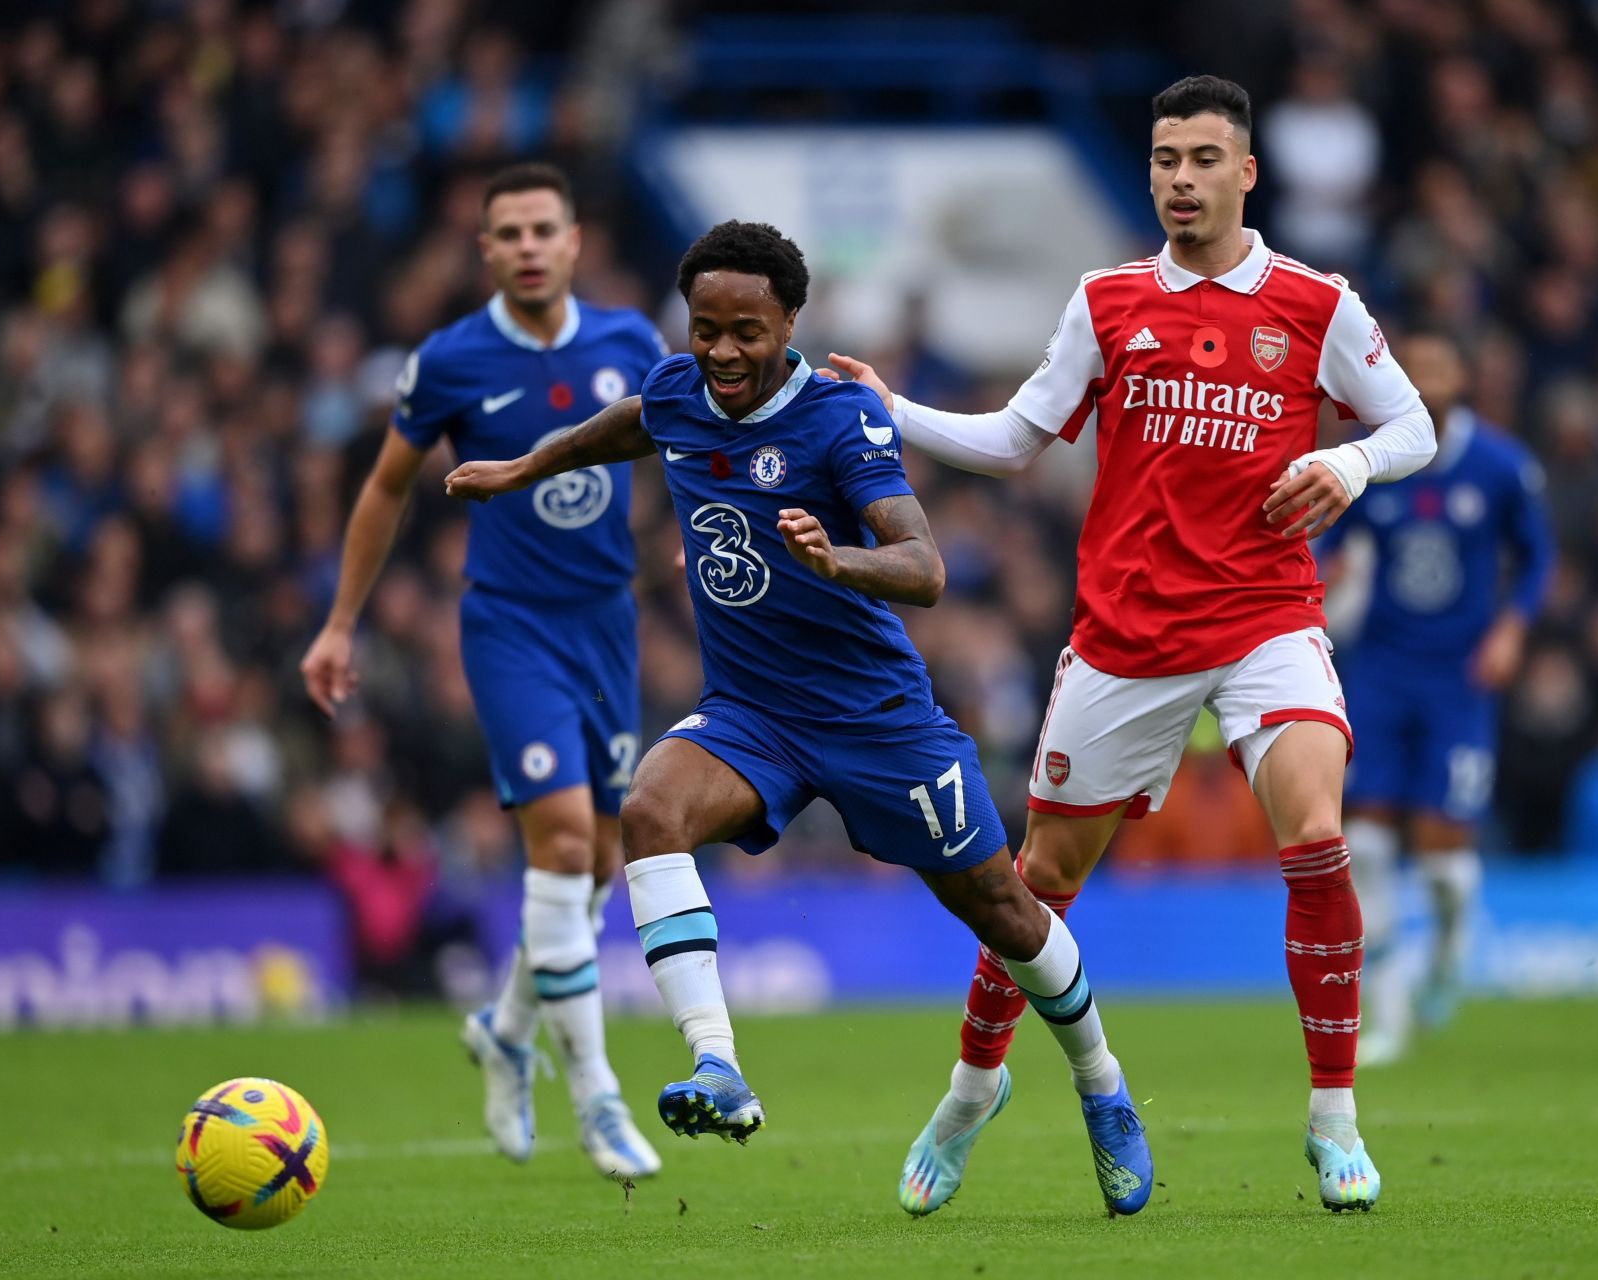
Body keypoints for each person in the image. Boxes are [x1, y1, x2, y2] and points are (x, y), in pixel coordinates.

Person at [445, 220, 1155, 1217]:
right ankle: (717, 1063)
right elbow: (624, 428)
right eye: (706, 329)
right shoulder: (676, 390)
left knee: (1003, 908)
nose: (723, 352)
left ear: (789, 322)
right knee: (647, 811)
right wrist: (523, 469)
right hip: (752, 715)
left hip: (875, 718)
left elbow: (925, 567)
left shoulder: (838, 421)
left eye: (746, 330)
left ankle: (1100, 1083)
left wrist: (837, 561)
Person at [827, 74, 1435, 1214]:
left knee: (1316, 835)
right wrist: (892, 409)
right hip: (1128, 637)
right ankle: (971, 1090)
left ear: (1246, 172)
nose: (1180, 179)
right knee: (1037, 883)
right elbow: (1016, 438)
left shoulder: (1314, 302)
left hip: (1267, 618)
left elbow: (1415, 422)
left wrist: (1349, 462)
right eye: (1164, 159)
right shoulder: (1108, 300)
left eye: (1203, 159)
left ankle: (1336, 1117)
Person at [298, 162, 666, 1179]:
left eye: (546, 227)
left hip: (609, 624)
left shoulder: (631, 342)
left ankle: (505, 1029)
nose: (531, 245)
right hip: (510, 625)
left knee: (596, 865)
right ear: (487, 250)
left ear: (576, 238)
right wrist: (340, 623)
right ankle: (596, 1095)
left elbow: (684, 450)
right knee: (555, 845)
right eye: (510, 232)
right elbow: (384, 489)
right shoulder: (451, 361)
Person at [1313, 331, 1555, 1066]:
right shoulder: (1376, 462)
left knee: (1446, 864)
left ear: (1463, 379)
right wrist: (1327, 583)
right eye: (1413, 371)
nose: (1425, 381)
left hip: (1460, 680)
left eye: (1439, 368)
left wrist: (1513, 629)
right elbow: (1326, 542)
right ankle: (1385, 1017)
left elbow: (1540, 556)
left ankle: (1449, 957)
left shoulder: (1502, 466)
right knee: (1374, 849)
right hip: (1381, 674)